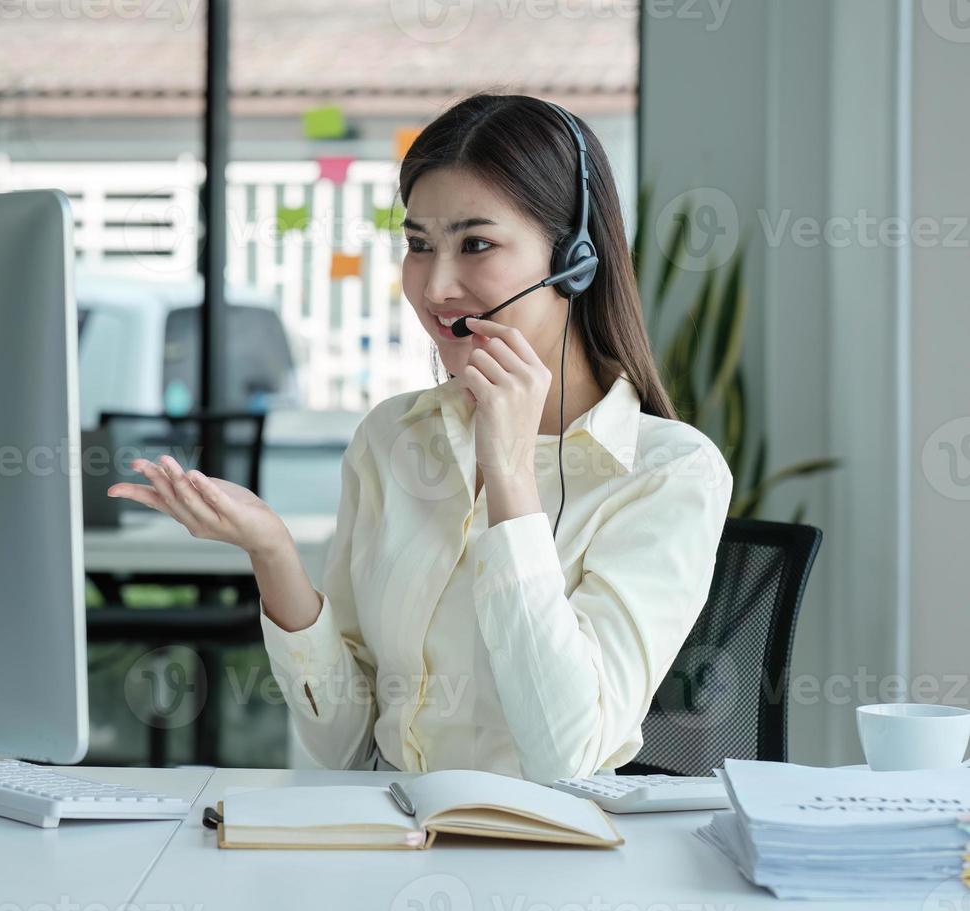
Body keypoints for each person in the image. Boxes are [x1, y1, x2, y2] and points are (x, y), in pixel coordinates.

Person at [108, 93, 732, 785]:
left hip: (547, 871)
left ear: (574, 260)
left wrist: (508, 475)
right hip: (388, 848)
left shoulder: (670, 474)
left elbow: (567, 756)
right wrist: (273, 553)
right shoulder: (392, 440)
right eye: (417, 245)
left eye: (476, 244)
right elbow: (345, 749)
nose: (435, 287)